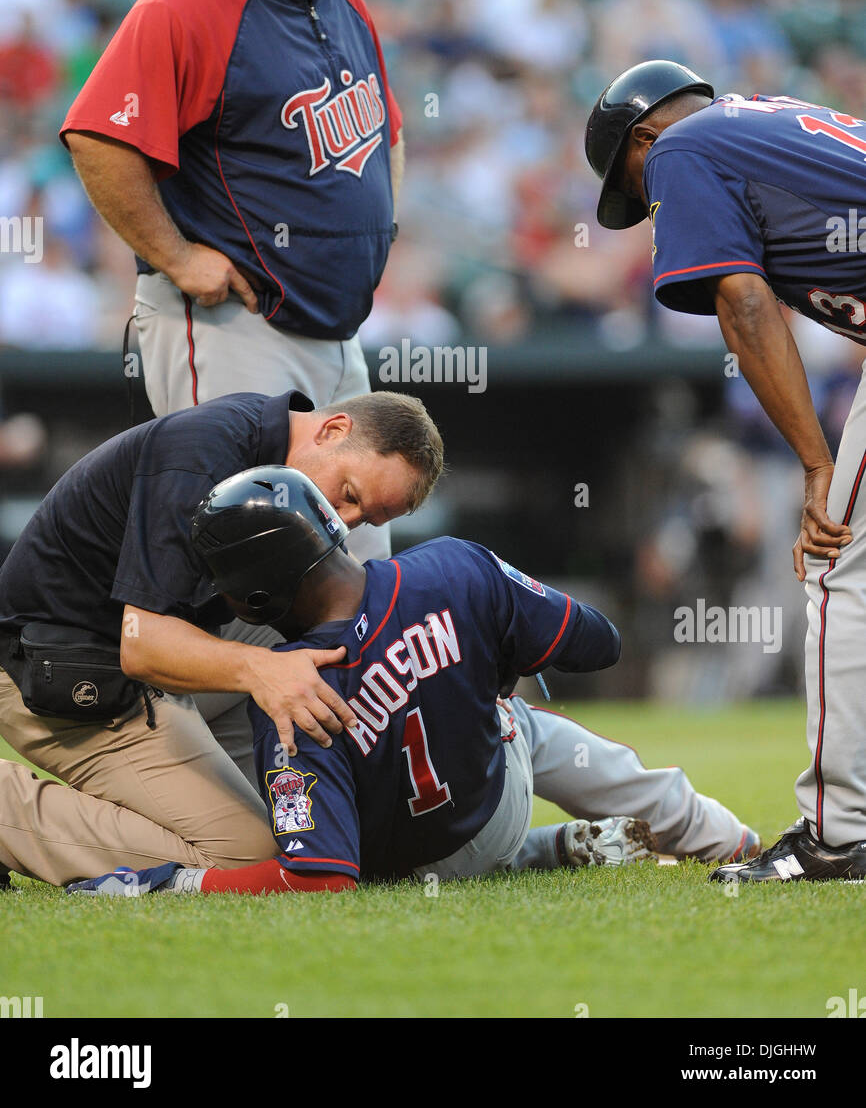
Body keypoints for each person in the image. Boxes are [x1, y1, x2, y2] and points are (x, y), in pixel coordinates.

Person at [65, 470, 756, 898]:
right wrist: (494, 661)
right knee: (524, 724)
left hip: (420, 871)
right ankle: (728, 841)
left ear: (252, 599)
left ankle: (541, 853)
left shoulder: (283, 693)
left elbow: (324, 877)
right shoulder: (455, 567)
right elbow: (598, 642)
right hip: (496, 801)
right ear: (330, 526)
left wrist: (180, 883)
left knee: (385, 802)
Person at [59, 0, 404, 564]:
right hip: (235, 332)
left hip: (336, 331)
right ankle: (178, 685)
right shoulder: (186, 2)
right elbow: (96, 135)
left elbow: (388, 133)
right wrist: (177, 255)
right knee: (248, 552)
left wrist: (381, 229)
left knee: (358, 565)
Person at [585, 58, 866, 882]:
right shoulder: (770, 126)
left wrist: (816, 465)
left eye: (633, 186)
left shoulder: (680, 146)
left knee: (836, 564)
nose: (648, 207)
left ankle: (838, 835)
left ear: (643, 137)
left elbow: (742, 304)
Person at [0, 390, 442, 890]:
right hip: (60, 670)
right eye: (350, 494)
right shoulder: (204, 449)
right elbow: (143, 642)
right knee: (247, 856)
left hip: (142, 654)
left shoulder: (272, 461)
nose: (343, 519)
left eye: (365, 518)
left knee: (302, 830)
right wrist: (263, 670)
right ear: (333, 429)